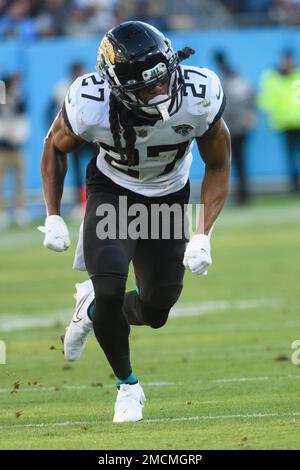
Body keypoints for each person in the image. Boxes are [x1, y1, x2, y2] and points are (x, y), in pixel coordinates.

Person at [39, 21, 231, 423]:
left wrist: (203, 234)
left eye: (162, 77)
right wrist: (53, 214)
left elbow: (218, 162)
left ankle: (90, 310)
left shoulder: (199, 95)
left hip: (167, 197)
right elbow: (54, 146)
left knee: (157, 308)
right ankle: (128, 386)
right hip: (115, 193)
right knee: (109, 287)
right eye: (145, 86)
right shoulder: (90, 102)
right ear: (117, 88)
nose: (160, 90)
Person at [214, 50, 256, 204]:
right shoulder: (238, 77)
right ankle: (243, 193)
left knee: (231, 162)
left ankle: (241, 195)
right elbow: (250, 97)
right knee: (238, 161)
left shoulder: (219, 79)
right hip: (239, 125)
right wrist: (250, 115)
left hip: (231, 127)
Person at [258, 50, 300, 192]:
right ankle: (294, 185)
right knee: (290, 157)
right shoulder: (271, 77)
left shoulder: (296, 75)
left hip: (298, 122)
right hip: (284, 124)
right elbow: (265, 100)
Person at [0, 73, 29, 227]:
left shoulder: (18, 96)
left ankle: (19, 209)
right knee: (1, 181)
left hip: (17, 146)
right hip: (2, 147)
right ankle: (2, 211)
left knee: (19, 180)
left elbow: (22, 110)